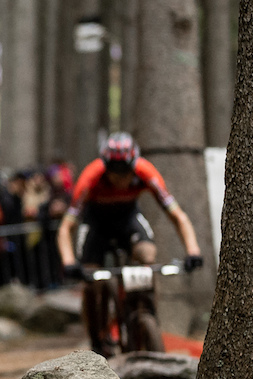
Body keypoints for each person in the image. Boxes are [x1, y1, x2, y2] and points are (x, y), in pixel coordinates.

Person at [57, 132, 205, 355]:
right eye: (114, 172)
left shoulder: (146, 172)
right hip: (96, 222)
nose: (120, 178)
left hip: (128, 219)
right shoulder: (90, 177)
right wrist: (69, 262)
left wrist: (193, 251)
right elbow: (66, 227)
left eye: (125, 171)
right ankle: (97, 338)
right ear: (105, 167)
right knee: (91, 279)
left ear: (134, 165)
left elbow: (178, 216)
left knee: (147, 255)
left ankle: (146, 309)